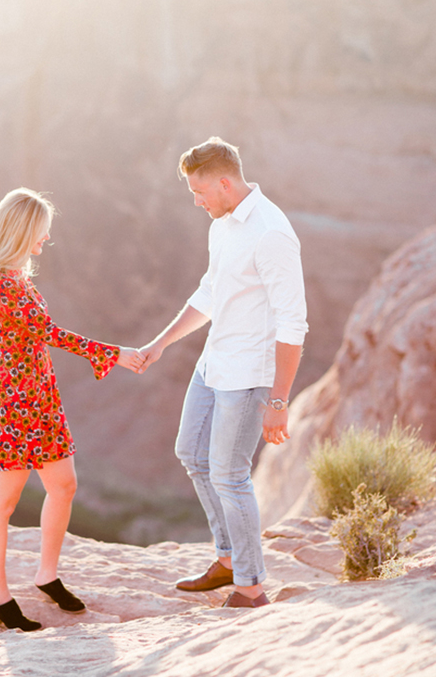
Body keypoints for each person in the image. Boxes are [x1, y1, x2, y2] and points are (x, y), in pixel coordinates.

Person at [137, 137, 308, 609]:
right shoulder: (223, 224)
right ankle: (229, 557)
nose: (196, 201)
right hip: (214, 362)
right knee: (191, 452)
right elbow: (211, 293)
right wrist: (160, 344)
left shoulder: (272, 233)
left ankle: (251, 587)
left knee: (231, 476)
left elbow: (294, 323)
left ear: (225, 183)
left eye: (199, 191)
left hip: (250, 375)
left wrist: (278, 400)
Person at [0, 187, 143, 631]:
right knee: (3, 503)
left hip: (41, 400)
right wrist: (113, 353)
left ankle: (47, 575)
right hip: (14, 405)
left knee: (64, 486)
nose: (45, 241)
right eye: (41, 233)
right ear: (21, 231)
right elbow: (49, 333)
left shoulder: (18, 277)